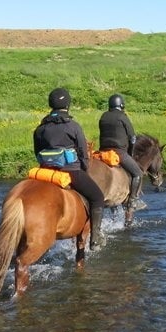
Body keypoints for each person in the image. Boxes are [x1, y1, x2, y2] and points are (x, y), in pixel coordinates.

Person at [33, 87, 106, 248]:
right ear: (67, 105)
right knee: (98, 197)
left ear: (51, 104)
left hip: (45, 171)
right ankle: (95, 238)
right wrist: (84, 169)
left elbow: (37, 152)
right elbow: (83, 153)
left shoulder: (40, 128)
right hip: (71, 171)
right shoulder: (73, 126)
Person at [98, 93, 143, 201]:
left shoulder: (103, 116)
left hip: (102, 152)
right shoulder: (122, 116)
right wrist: (130, 153)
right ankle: (132, 200)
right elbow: (132, 138)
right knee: (138, 174)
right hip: (119, 152)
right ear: (121, 105)